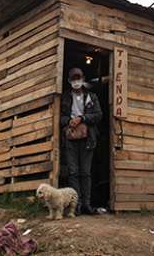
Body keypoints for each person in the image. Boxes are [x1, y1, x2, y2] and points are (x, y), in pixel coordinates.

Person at [60, 67, 102, 215]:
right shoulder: (65, 97)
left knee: (85, 172)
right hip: (71, 139)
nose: (76, 81)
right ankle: (75, 206)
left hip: (87, 138)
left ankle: (86, 204)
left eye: (78, 78)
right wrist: (69, 121)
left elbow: (98, 115)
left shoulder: (91, 96)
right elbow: (58, 117)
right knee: (73, 172)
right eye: (73, 78)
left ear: (83, 78)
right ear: (69, 81)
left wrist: (82, 118)